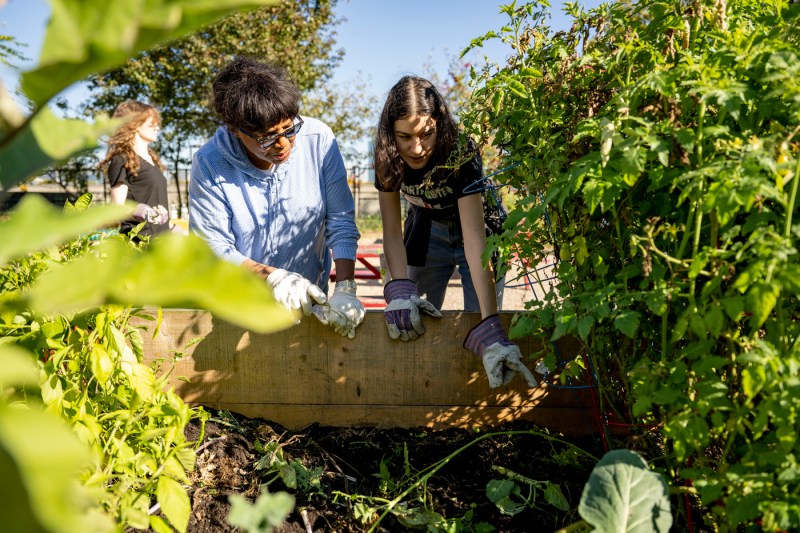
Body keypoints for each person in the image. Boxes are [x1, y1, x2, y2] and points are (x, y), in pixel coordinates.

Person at [373, 75, 536, 389]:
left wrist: (491, 323)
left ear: (439, 124)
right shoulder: (386, 154)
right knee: (411, 315)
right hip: (425, 228)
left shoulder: (459, 148)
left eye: (426, 134)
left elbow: (475, 238)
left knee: (480, 318)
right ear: (391, 133)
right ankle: (417, 389)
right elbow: (392, 232)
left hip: (476, 227)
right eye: (405, 137)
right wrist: (400, 290)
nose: (417, 148)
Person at [189, 56, 364, 338]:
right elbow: (211, 246)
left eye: (289, 129)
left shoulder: (318, 139)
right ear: (234, 129)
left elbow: (340, 220)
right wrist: (272, 277)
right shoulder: (210, 163)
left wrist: (345, 288)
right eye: (267, 137)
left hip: (308, 300)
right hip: (239, 307)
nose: (283, 145)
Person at [100, 100, 170, 239]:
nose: (157, 128)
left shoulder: (153, 160)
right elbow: (117, 208)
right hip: (138, 243)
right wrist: (144, 212)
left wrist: (180, 231)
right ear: (135, 123)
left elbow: (159, 211)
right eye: (152, 123)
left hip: (161, 243)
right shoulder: (121, 159)